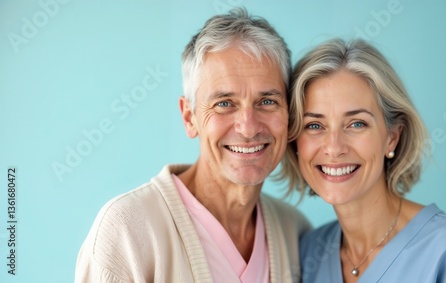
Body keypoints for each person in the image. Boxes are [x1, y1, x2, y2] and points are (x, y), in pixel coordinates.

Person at [75, 8, 311, 283]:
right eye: (224, 103)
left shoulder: (295, 232)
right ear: (190, 118)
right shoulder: (126, 230)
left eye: (267, 101)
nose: (248, 127)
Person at [279, 38, 446, 282]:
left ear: (392, 137)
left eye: (357, 123)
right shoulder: (309, 252)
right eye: (314, 125)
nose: (334, 147)